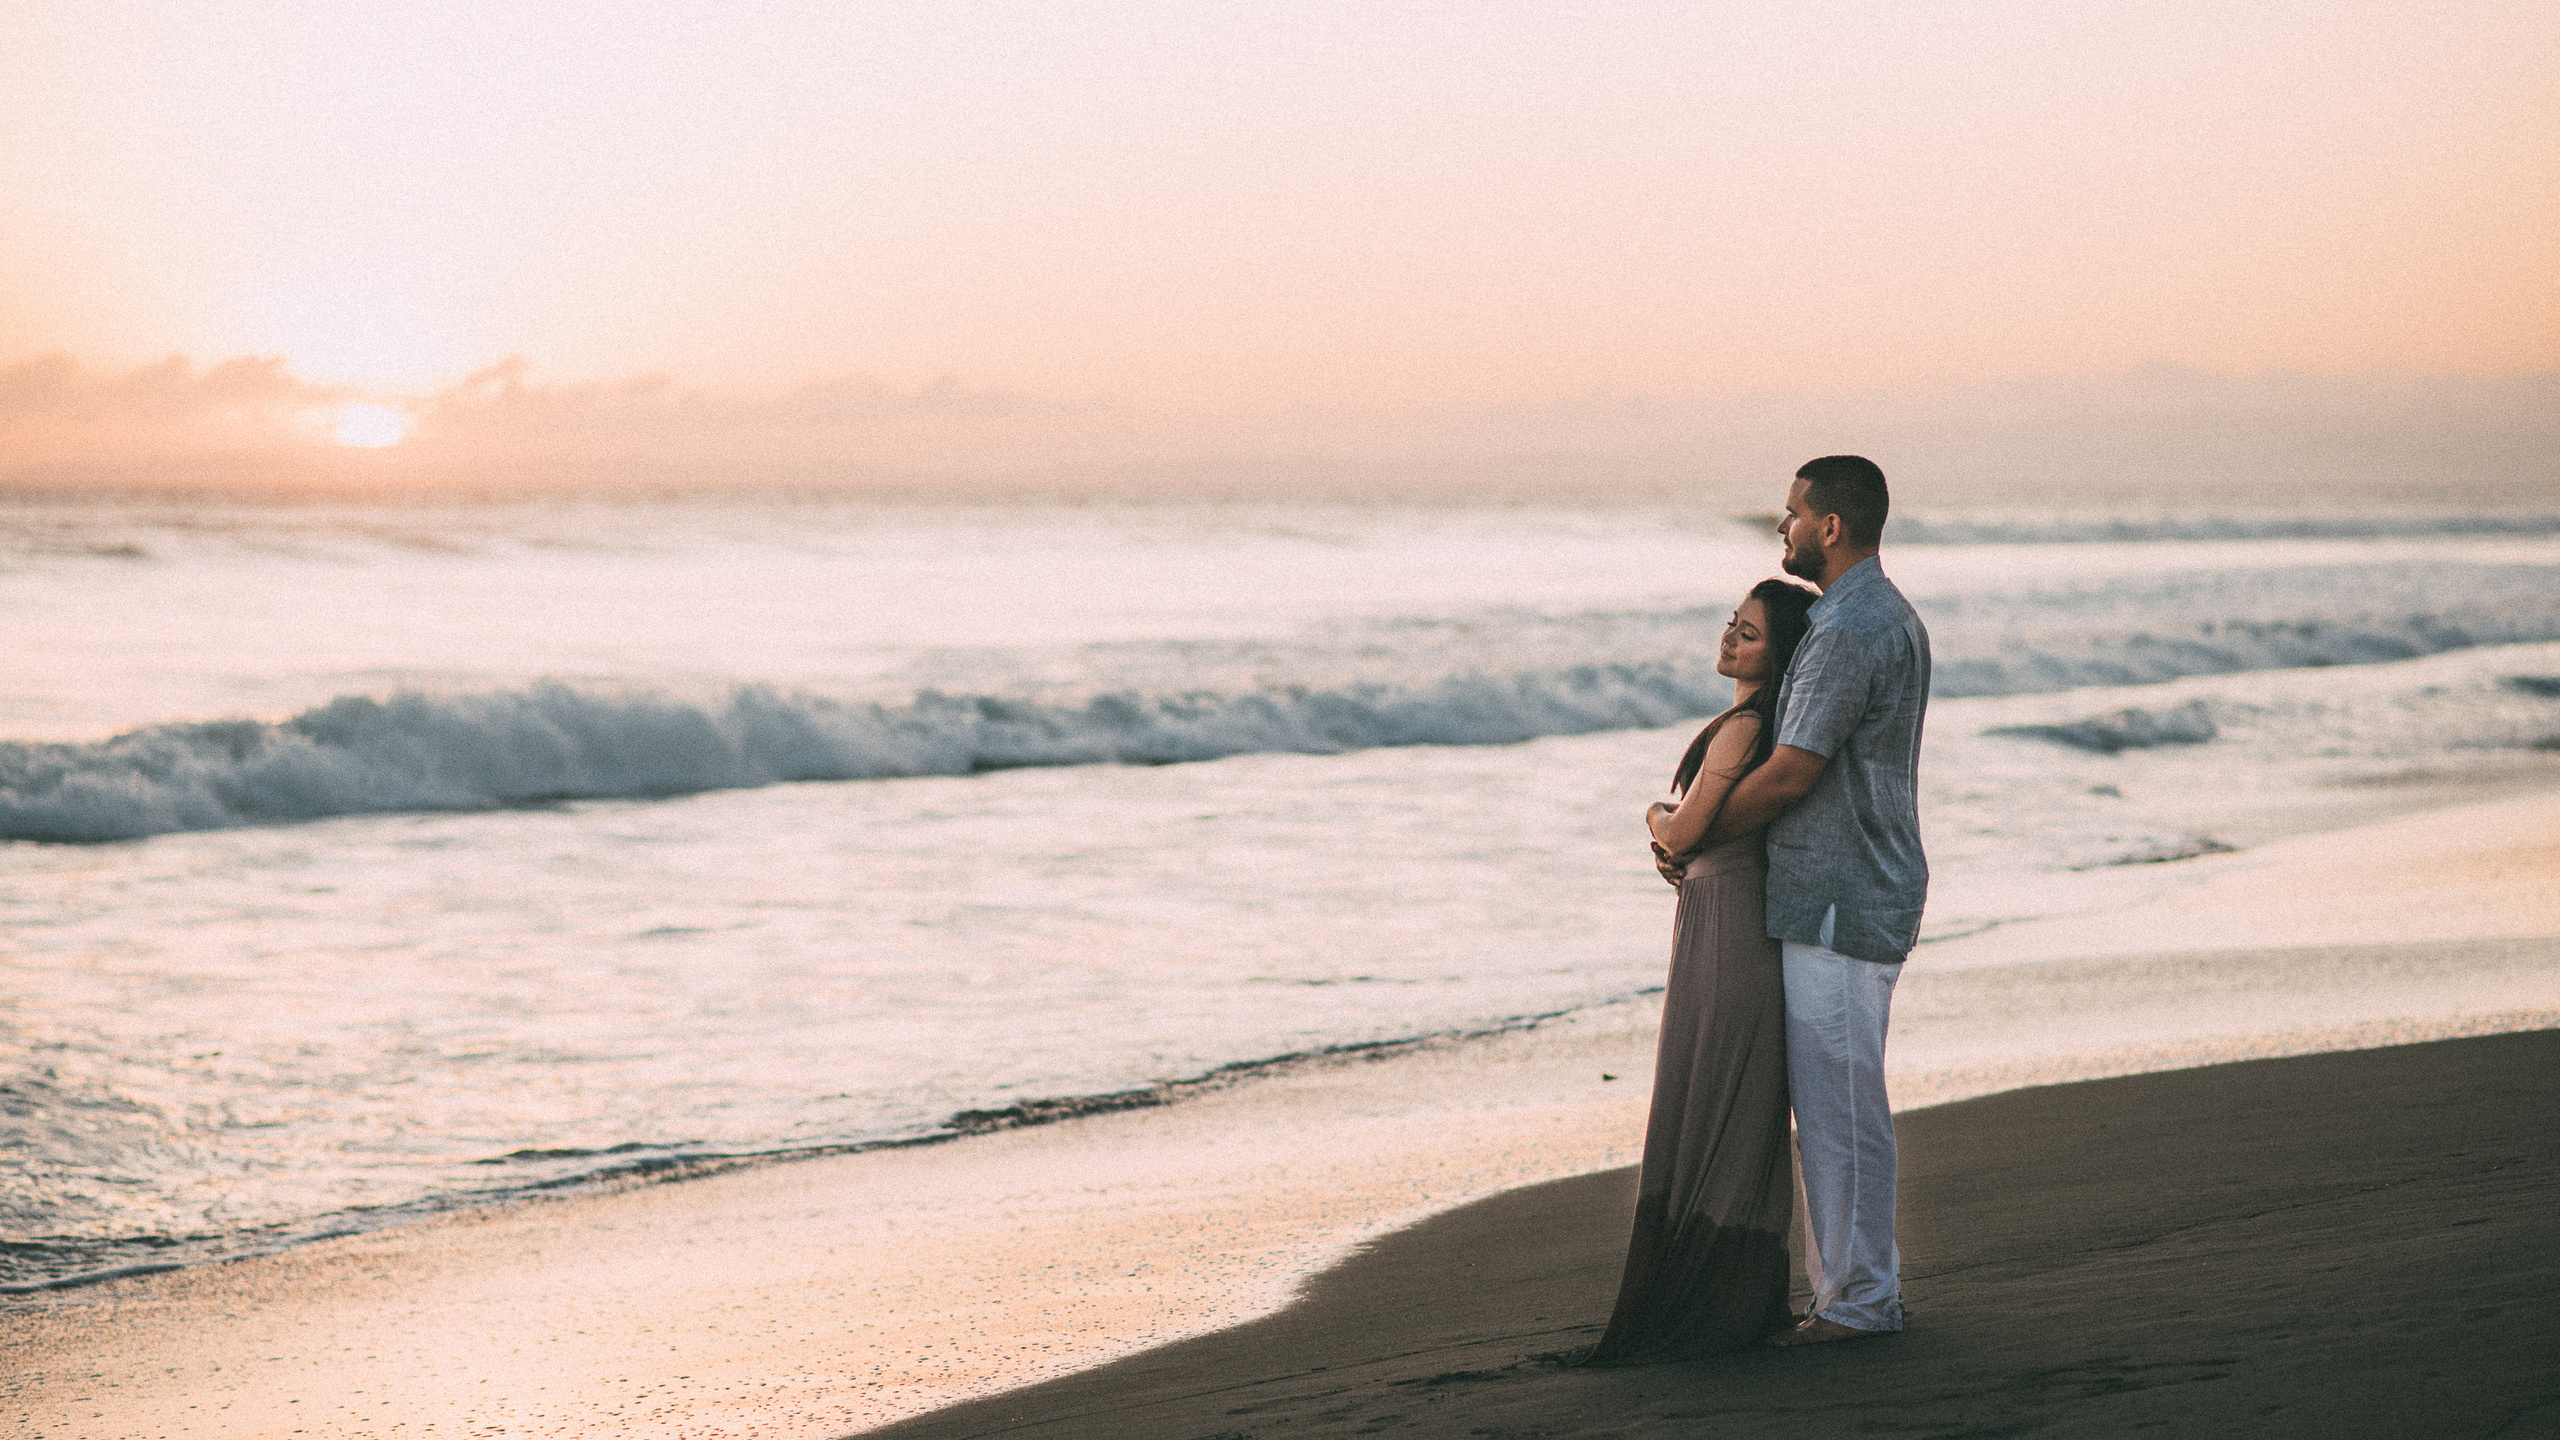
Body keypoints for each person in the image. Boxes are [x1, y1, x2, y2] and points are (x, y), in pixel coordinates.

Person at [1697, 455, 1931, 1347]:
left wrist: (1699, 832)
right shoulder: (1885, 613)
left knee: (1839, 1110)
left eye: (1793, 514)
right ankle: (1854, 1292)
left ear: (1829, 527)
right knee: (1839, 1104)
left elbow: (1794, 771)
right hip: (1857, 884)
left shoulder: (1844, 629)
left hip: (1841, 893)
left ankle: (1861, 1302)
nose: (1783, 528)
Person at [1586, 576, 1819, 1364]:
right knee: (1722, 1094)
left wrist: (1651, 816)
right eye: (1731, 625)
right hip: (1722, 916)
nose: (1729, 639)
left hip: (1730, 931)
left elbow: (1684, 833)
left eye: (1748, 633)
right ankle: (1725, 1283)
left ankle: (1708, 1289)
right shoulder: (1754, 723)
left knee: (1719, 1094)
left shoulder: (1744, 729)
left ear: (1780, 652)